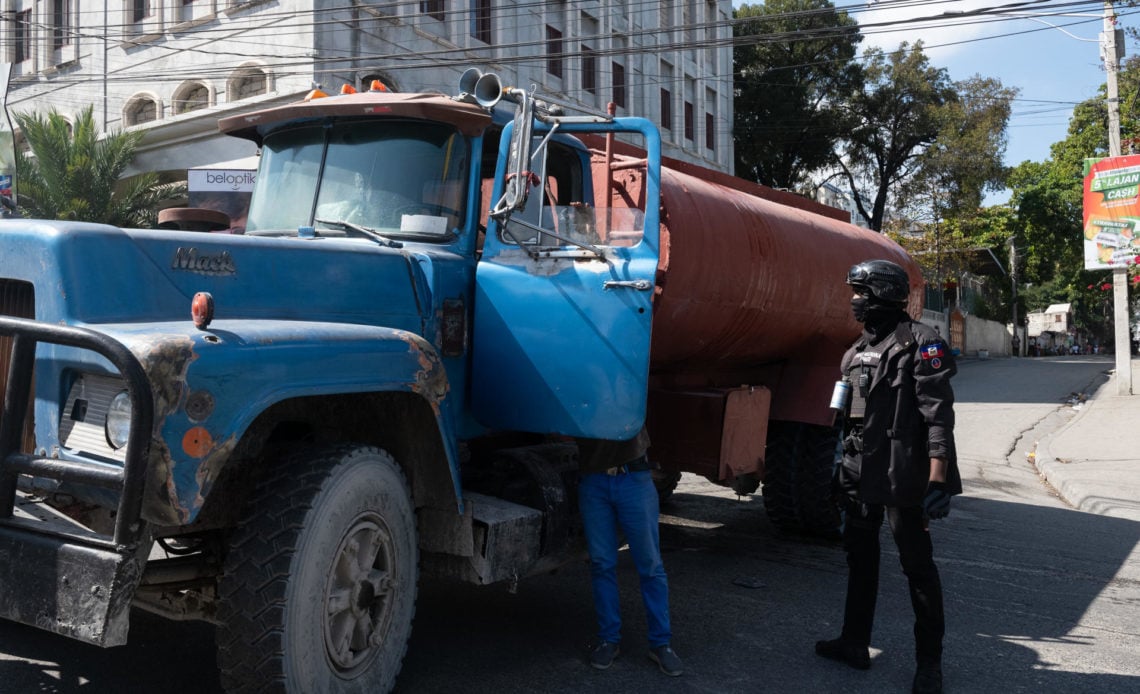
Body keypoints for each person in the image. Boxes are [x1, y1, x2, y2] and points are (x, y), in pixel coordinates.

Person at [816, 259, 961, 694]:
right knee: (860, 559)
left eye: (860, 293)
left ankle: (929, 665)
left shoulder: (924, 343)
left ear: (881, 293)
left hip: (904, 476)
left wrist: (938, 480)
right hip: (860, 473)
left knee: (917, 568)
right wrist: (836, 472)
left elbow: (939, 418)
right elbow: (843, 419)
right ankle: (854, 643)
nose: (855, 302)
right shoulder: (856, 349)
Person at [576, 426, 683, 677]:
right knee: (602, 564)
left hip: (633, 478)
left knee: (650, 566)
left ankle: (660, 644)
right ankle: (608, 640)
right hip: (594, 481)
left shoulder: (627, 386)